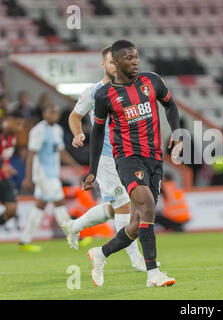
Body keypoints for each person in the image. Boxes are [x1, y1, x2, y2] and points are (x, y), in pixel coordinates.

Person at [82, 40, 182, 288]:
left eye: (136, 57)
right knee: (147, 205)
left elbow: (170, 105)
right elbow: (97, 133)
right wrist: (92, 170)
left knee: (137, 224)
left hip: (154, 159)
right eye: (128, 58)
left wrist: (178, 134)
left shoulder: (152, 82)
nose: (135, 61)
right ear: (115, 63)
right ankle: (153, 274)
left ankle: (101, 253)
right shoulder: (104, 96)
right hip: (127, 159)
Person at [62, 46, 147, 273]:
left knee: (116, 207)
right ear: (103, 64)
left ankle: (75, 226)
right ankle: (136, 260)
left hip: (130, 156)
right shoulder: (94, 91)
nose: (115, 66)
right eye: (111, 62)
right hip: (106, 158)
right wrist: (78, 133)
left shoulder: (131, 90)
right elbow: (75, 116)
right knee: (125, 206)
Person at [19, 104, 83, 252]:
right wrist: (28, 177)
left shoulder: (58, 130)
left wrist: (75, 165)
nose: (54, 114)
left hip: (53, 172)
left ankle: (24, 240)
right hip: (42, 173)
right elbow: (31, 154)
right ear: (44, 113)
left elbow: (61, 152)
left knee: (40, 205)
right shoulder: (38, 131)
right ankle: (74, 235)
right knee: (59, 202)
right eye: (50, 111)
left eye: (56, 112)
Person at [0, 111, 25, 226]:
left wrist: (7, 167)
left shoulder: (12, 138)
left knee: (12, 209)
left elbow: (4, 158)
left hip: (3, 178)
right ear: (9, 122)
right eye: (18, 124)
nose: (20, 128)